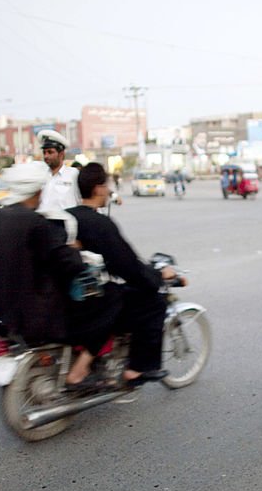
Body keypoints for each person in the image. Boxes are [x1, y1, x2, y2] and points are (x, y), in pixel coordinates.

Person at [67, 162, 183, 387]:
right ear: (98, 188)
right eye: (107, 186)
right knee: (154, 302)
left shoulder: (67, 216)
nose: (110, 191)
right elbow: (128, 266)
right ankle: (137, 368)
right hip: (92, 300)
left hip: (68, 295)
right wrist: (157, 277)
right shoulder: (100, 224)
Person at [0, 161, 86, 347]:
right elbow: (69, 263)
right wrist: (75, 250)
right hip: (33, 319)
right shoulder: (36, 223)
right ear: (39, 191)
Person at [37, 129, 80, 212]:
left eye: (50, 152)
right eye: (44, 152)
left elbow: (81, 201)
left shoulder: (74, 175)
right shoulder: (40, 176)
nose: (46, 156)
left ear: (61, 154)